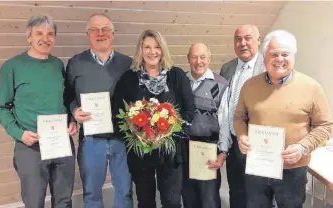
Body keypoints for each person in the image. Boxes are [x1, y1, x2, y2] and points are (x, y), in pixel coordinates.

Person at [235, 29, 333, 208]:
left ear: (293, 56)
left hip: (293, 171)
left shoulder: (311, 87)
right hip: (258, 167)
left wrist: (303, 147)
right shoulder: (249, 86)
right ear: (264, 57)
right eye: (273, 54)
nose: (279, 59)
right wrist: (241, 136)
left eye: (285, 54)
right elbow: (239, 118)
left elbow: (325, 126)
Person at [0, 15, 77, 208]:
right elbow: (1, 108)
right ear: (29, 37)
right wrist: (19, 134)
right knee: (34, 202)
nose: (45, 38)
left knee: (64, 201)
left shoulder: (57, 66)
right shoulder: (12, 67)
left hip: (61, 143)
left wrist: (72, 120)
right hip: (30, 146)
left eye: (50, 34)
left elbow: (66, 100)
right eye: (39, 33)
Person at [112, 29, 195, 208]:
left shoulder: (176, 75)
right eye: (147, 47)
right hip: (141, 154)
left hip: (171, 153)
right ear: (140, 50)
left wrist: (170, 137)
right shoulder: (129, 79)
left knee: (172, 202)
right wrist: (137, 137)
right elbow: (117, 113)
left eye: (157, 47)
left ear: (163, 49)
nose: (152, 52)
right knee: (146, 202)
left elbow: (189, 111)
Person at [64, 13, 133, 208]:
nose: (100, 33)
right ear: (88, 34)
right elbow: (67, 96)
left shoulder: (127, 64)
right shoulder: (76, 63)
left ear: (113, 34)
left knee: (125, 192)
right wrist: (74, 111)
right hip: (91, 140)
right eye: (95, 29)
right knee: (92, 194)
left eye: (105, 29)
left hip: (123, 139)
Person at [219, 24, 264, 208]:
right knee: (236, 191)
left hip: (259, 144)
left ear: (258, 41)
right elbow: (224, 105)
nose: (242, 43)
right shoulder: (227, 68)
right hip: (234, 143)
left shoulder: (268, 66)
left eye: (248, 38)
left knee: (258, 195)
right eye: (238, 39)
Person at [182, 43, 231, 208]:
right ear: (188, 59)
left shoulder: (221, 84)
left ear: (209, 59)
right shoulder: (180, 82)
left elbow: (225, 121)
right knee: (188, 197)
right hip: (184, 150)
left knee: (209, 199)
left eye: (203, 57)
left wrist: (223, 152)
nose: (198, 61)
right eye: (194, 57)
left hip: (208, 150)